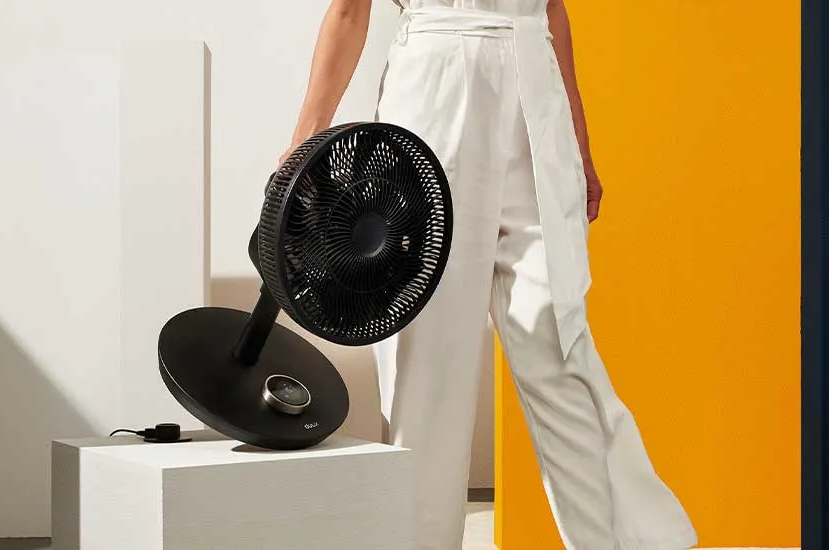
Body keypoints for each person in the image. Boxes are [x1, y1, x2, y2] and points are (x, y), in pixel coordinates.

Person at [280, 1, 698, 549]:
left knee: (557, 336)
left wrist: (578, 141)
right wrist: (306, 140)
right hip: (435, 84)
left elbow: (550, 9)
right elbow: (350, 11)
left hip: (534, 95)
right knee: (427, 355)